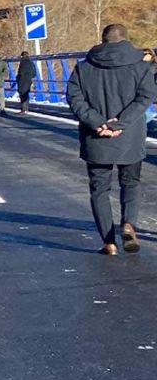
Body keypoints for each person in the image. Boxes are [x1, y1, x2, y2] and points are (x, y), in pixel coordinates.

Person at [66, 24, 157, 255]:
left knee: (99, 189)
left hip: (95, 137)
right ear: (125, 39)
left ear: (102, 40)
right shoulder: (141, 66)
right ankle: (128, 224)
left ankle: (109, 243)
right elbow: (145, 97)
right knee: (130, 183)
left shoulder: (83, 68)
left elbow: (74, 99)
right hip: (130, 135)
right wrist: (120, 123)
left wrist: (98, 123)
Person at [15, 49, 37, 117]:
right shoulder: (31, 62)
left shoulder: (22, 62)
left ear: (22, 56)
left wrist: (18, 78)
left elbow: (20, 72)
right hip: (29, 80)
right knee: (26, 94)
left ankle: (23, 109)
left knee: (22, 94)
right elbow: (34, 73)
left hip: (22, 80)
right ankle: (26, 109)